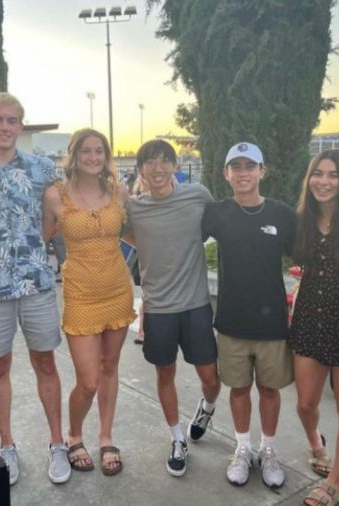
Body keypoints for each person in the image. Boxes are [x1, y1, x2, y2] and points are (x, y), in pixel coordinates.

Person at [0, 92, 71, 485]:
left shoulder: (40, 168)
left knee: (45, 363)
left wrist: (45, 243)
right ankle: (7, 445)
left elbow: (62, 212)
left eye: (12, 120)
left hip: (36, 284)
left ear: (21, 126)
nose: (5, 127)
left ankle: (57, 443)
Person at [202, 142, 296, 489]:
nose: (243, 173)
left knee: (269, 389)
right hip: (231, 320)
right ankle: (242, 449)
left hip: (272, 323)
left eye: (249, 166)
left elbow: (307, 252)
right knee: (239, 389)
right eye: (236, 166)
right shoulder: (216, 212)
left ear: (262, 171)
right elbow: (182, 240)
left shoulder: (282, 214)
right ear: (226, 173)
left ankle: (267, 450)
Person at [42, 128, 135, 477]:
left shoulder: (118, 192)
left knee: (110, 367)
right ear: (74, 155)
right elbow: (41, 239)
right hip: (80, 295)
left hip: (117, 291)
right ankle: (74, 435)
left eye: (100, 151)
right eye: (87, 152)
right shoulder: (55, 196)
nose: (94, 157)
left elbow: (133, 234)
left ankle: (106, 437)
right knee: (89, 380)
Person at [125, 139, 221, 477]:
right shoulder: (134, 208)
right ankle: (177, 438)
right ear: (140, 170)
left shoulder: (198, 195)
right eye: (149, 162)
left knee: (210, 378)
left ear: (175, 166)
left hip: (195, 305)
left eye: (164, 161)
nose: (158, 168)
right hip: (158, 309)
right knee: (164, 373)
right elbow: (127, 235)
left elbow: (214, 228)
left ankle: (206, 408)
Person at [289, 150, 339, 506]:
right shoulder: (302, 218)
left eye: (333, 175)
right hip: (309, 318)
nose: (323, 181)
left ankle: (336, 481)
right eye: (317, 174)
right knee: (305, 404)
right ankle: (317, 445)